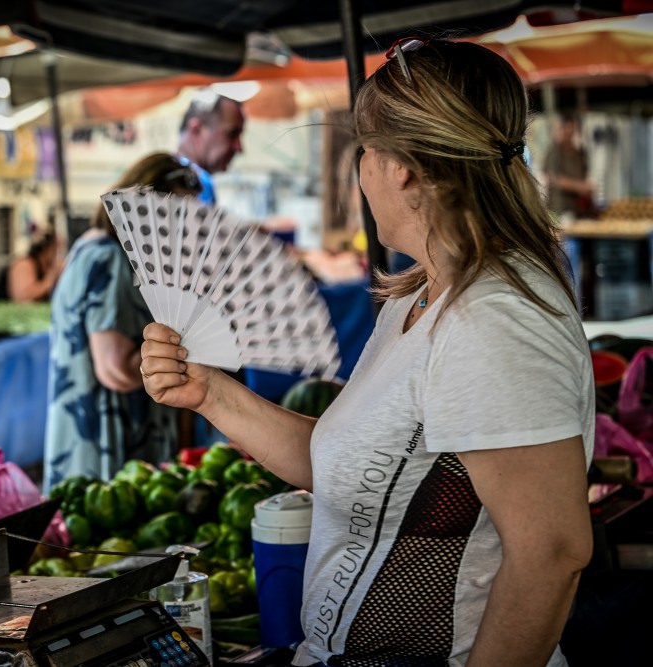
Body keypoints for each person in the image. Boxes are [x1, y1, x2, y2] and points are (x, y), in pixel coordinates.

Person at [140, 39, 594, 667]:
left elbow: (552, 551)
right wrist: (211, 392)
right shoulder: (425, 298)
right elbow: (353, 468)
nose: (361, 170)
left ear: (400, 167)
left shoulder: (493, 318)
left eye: (365, 151)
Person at [43, 153, 202, 492]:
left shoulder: (94, 249)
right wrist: (187, 347)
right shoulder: (109, 259)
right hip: (110, 453)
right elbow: (116, 368)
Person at [176, 88, 245, 205]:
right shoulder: (196, 182)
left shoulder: (172, 175)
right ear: (196, 130)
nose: (239, 147)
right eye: (231, 134)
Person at [543, 114, 594, 224]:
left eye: (571, 128)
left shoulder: (580, 153)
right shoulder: (554, 152)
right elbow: (551, 177)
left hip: (577, 209)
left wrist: (588, 189)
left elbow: (585, 176)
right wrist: (578, 187)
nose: (568, 132)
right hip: (558, 209)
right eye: (566, 128)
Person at [0, 228, 62, 302]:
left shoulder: (47, 268)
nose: (58, 256)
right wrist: (51, 280)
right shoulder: (25, 264)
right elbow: (23, 297)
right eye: (56, 250)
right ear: (47, 249)